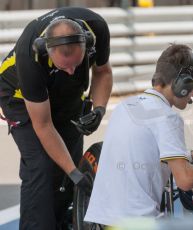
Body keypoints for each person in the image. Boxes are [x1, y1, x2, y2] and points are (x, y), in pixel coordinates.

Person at [84, 44, 193, 226]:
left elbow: (144, 148)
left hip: (104, 220)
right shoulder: (168, 116)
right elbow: (186, 180)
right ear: (182, 83)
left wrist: (192, 154)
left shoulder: (125, 106)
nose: (192, 96)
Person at [0, 7, 113, 230]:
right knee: (41, 164)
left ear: (86, 43)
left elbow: (103, 72)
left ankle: (62, 222)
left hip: (65, 92)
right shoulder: (29, 56)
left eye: (77, 64)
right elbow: (43, 126)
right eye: (65, 65)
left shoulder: (96, 28)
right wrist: (73, 172)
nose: (72, 70)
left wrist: (99, 109)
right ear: (46, 50)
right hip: (20, 97)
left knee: (69, 158)